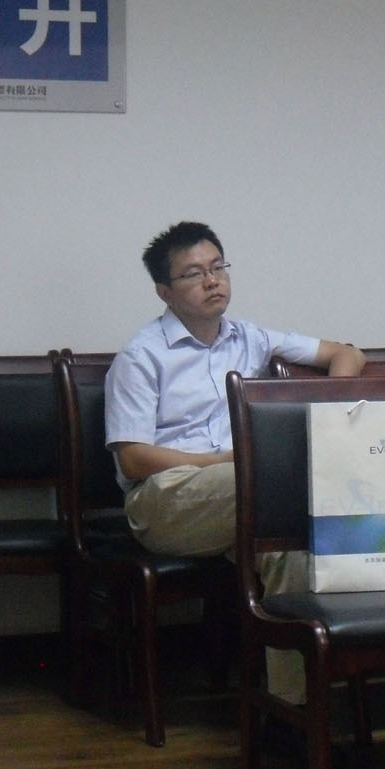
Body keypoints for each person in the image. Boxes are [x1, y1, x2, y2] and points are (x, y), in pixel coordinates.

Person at [105, 222, 363, 563]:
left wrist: (330, 420)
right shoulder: (141, 356)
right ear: (164, 292)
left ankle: (302, 599)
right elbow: (133, 460)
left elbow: (347, 354)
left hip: (244, 485)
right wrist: (223, 462)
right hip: (166, 496)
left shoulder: (250, 339)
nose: (212, 281)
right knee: (280, 482)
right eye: (193, 274)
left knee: (287, 551)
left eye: (217, 267)